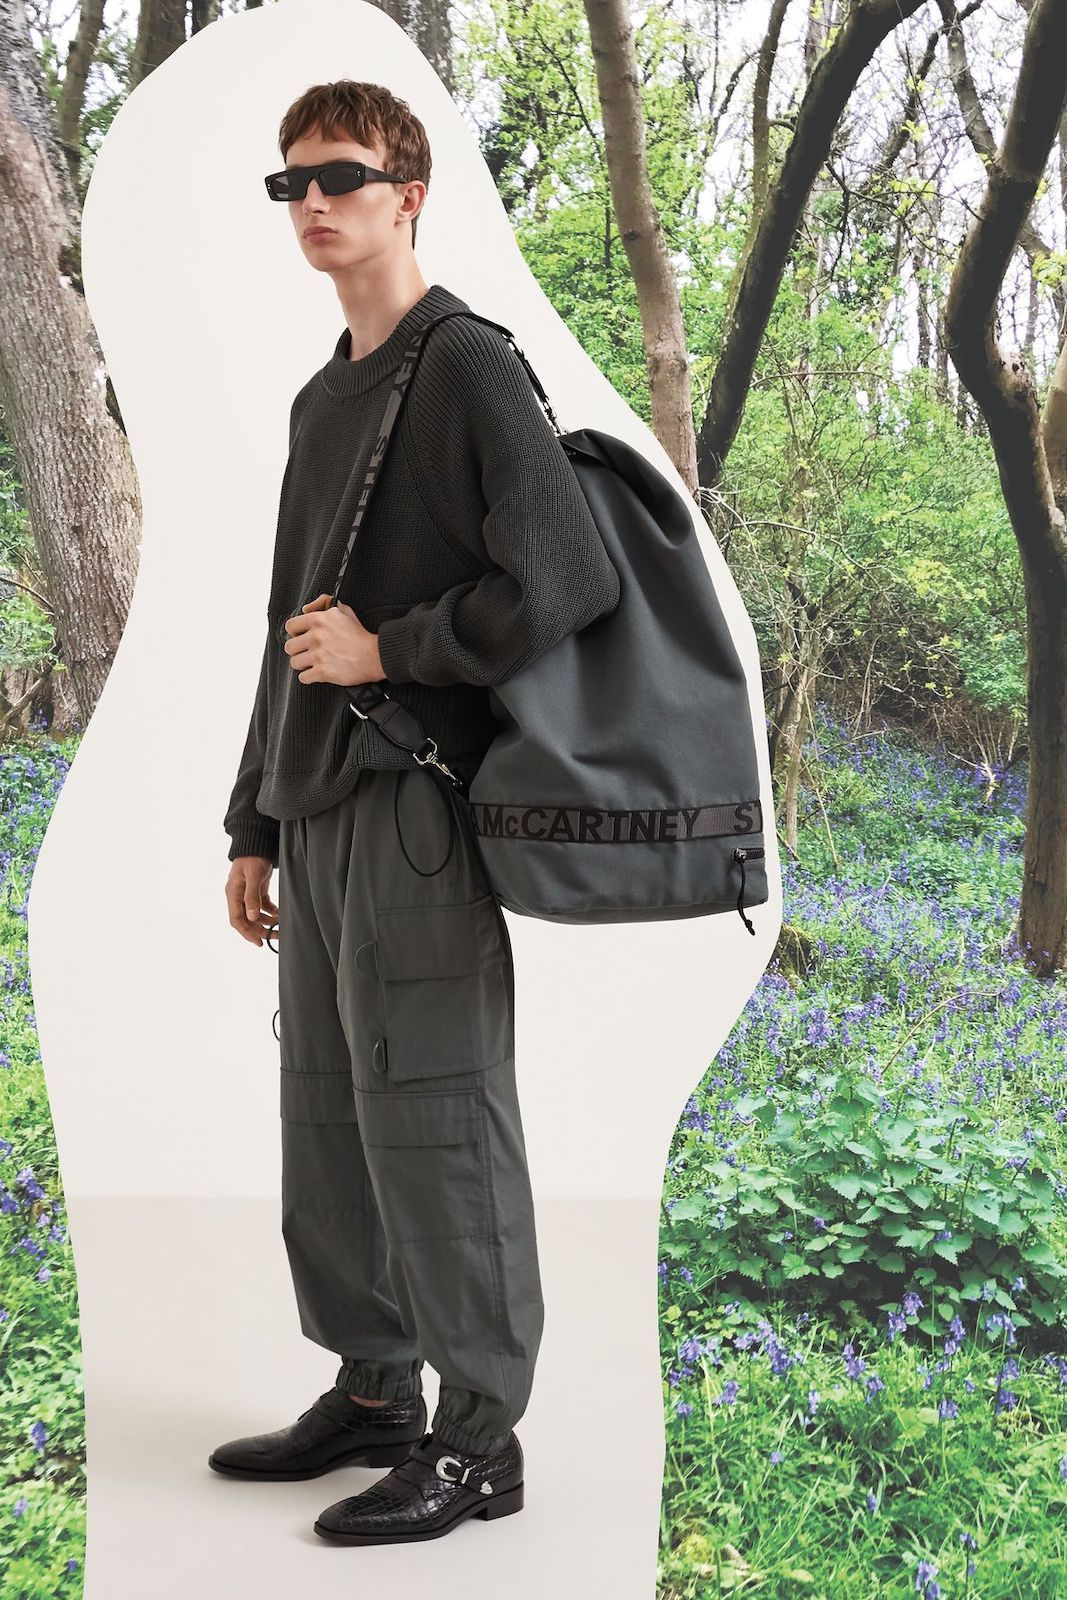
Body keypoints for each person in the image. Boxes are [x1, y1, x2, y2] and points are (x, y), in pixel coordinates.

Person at [210, 79, 619, 1545]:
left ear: (410, 191)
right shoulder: (325, 395)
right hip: (318, 810)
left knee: (437, 1121)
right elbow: (289, 623)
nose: (314, 203)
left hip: (410, 812)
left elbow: (568, 577)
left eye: (341, 176)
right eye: (293, 184)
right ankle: (376, 1390)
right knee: (328, 1119)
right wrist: (253, 819)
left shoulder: (468, 366)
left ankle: (481, 1444)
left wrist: (397, 649)